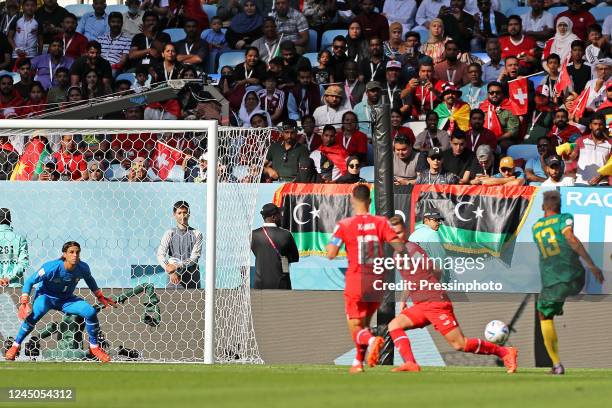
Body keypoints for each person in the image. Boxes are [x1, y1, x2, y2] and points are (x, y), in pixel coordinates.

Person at [388, 238, 518, 373]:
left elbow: (436, 270)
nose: (395, 236)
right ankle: (410, 363)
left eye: (399, 232)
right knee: (394, 326)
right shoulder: (397, 255)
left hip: (434, 303)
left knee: (459, 344)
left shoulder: (413, 249)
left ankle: (504, 352)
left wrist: (431, 288)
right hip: (421, 305)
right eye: (393, 234)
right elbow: (412, 279)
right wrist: (404, 299)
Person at [326, 184, 405, 373]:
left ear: (352, 200)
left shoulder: (344, 225)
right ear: (370, 201)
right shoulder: (382, 222)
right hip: (377, 280)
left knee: (355, 325)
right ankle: (357, 363)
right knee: (365, 324)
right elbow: (399, 247)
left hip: (357, 278)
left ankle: (371, 341)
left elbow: (331, 253)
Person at [4, 241, 116, 362]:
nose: (75, 255)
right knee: (34, 316)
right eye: (71, 252)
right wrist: (24, 299)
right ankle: (15, 346)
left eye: (77, 252)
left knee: (90, 312)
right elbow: (30, 281)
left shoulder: (83, 267)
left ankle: (94, 348)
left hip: (66, 300)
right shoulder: (50, 267)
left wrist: (99, 296)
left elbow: (89, 279)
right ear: (64, 254)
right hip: (46, 297)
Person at [532, 190, 603, 375]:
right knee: (549, 306)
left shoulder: (536, 227)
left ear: (542, 207)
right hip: (575, 276)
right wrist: (591, 265)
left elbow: (565, 240)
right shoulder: (565, 218)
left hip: (555, 280)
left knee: (544, 315)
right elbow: (569, 237)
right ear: (560, 206)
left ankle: (556, 365)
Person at [156, 201, 203, 289]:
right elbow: (160, 255)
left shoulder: (197, 234)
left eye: (185, 212)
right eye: (179, 213)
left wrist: (177, 265)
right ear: (174, 214)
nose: (182, 216)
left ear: (189, 214)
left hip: (192, 280)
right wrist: (171, 271)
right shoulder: (169, 233)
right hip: (174, 280)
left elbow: (194, 258)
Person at [251, 203, 299, 289]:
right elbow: (295, 257)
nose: (281, 216)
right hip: (282, 284)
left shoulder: (253, 235)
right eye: (279, 214)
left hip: (260, 284)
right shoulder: (286, 234)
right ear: (274, 217)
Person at [0, 208, 29, 287]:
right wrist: (8, 278)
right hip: (15, 287)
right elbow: (23, 264)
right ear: (10, 221)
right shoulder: (20, 238)